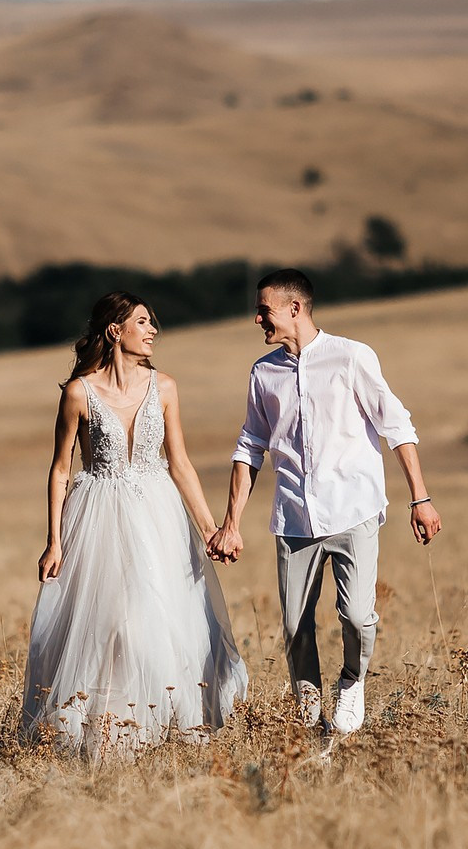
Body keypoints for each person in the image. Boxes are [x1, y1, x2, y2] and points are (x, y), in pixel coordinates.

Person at [206, 269, 441, 735]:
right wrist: (231, 523)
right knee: (295, 626)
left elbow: (396, 425)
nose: (257, 319)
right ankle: (309, 712)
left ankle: (352, 682)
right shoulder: (263, 373)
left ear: (295, 309)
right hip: (293, 516)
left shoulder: (351, 357)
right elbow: (251, 446)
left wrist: (421, 498)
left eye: (264, 310)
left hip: (353, 508)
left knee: (356, 614)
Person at [23, 291, 248, 755]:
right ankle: (102, 734)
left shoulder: (164, 387)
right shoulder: (78, 393)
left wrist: (210, 528)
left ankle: (165, 729)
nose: (152, 331)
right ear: (114, 331)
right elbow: (61, 469)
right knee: (111, 621)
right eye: (142, 322)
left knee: (159, 616)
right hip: (97, 516)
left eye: (152, 324)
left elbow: (180, 463)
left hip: (157, 513)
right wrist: (54, 541)